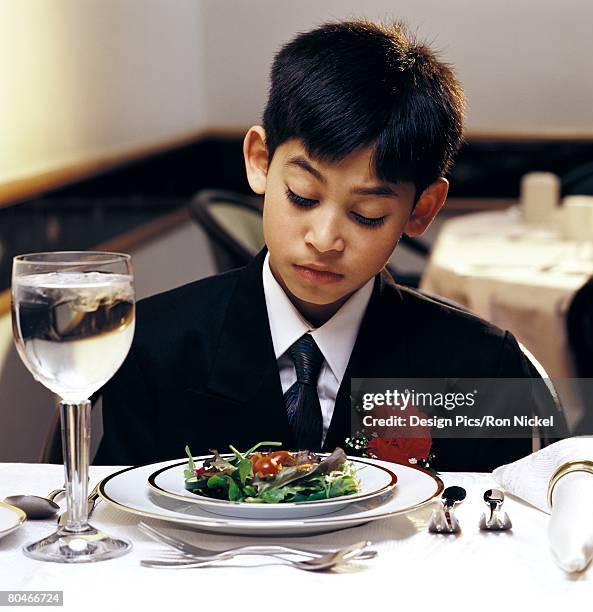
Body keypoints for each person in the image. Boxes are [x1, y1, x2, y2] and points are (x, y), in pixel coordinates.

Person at [94, 19, 565, 470]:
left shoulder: (481, 367)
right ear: (260, 162)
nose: (324, 239)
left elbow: (504, 539)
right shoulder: (152, 345)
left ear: (421, 209)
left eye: (367, 215)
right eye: (302, 197)